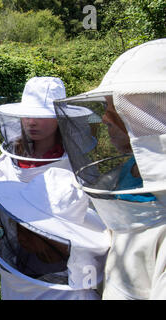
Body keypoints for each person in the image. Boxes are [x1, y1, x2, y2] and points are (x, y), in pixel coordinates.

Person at [53, 38, 166, 299]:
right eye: (106, 105)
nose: (104, 117)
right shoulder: (130, 168)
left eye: (118, 106)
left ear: (158, 113)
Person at [0, 77, 110, 299]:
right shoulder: (9, 158)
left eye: (41, 116)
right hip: (17, 253)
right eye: (27, 114)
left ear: (58, 118)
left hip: (60, 261)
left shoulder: (77, 163)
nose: (32, 122)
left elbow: (89, 214)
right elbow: (1, 202)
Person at [0, 167, 110, 299]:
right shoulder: (23, 255)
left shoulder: (80, 294)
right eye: (19, 225)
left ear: (59, 237)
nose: (21, 236)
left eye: (31, 230)